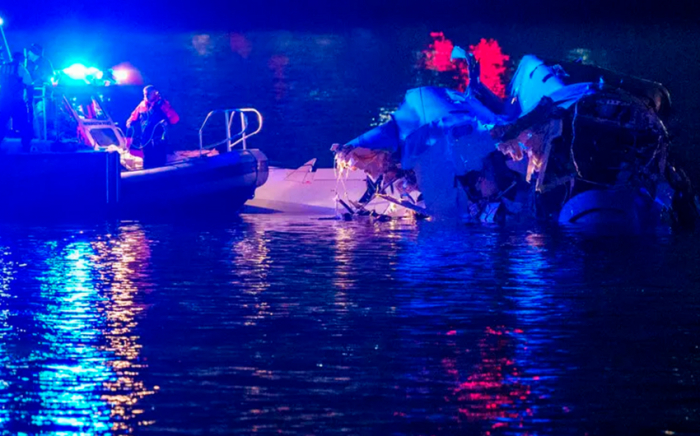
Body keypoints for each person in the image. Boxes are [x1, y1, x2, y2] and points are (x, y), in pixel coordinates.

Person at [126, 85, 179, 169]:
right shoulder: (142, 105)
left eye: (148, 94)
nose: (146, 96)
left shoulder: (163, 104)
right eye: (145, 94)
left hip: (158, 137)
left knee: (159, 160)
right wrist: (130, 122)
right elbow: (134, 116)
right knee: (147, 160)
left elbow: (175, 118)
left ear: (155, 93)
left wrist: (167, 121)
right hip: (145, 137)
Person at [0, 51, 33, 152]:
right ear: (20, 59)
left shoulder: (3, 67)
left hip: (4, 100)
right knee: (23, 123)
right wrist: (30, 101)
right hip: (17, 101)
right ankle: (26, 145)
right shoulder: (21, 69)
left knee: (1, 122)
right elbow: (29, 84)